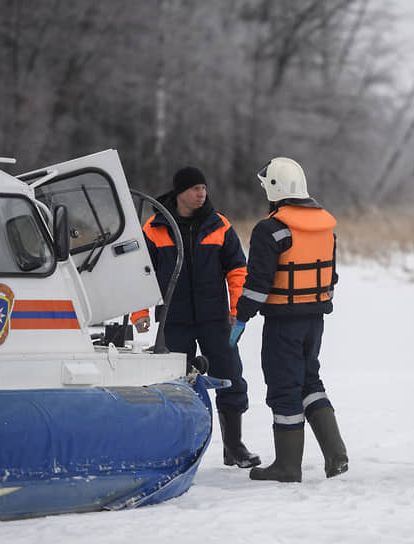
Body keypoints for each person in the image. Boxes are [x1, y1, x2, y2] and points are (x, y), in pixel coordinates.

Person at [130, 166, 260, 469]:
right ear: (180, 193)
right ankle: (180, 450)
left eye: (204, 187)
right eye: (195, 189)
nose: (202, 193)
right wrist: (139, 312)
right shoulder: (153, 228)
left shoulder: (220, 225)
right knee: (177, 385)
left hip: (216, 320)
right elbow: (140, 273)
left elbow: (238, 270)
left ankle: (234, 447)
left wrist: (236, 311)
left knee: (231, 378)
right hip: (173, 321)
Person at [232, 157, 348, 483]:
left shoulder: (270, 229)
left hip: (284, 324)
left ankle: (287, 466)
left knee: (284, 388)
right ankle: (336, 454)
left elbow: (257, 285)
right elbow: (331, 277)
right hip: (315, 320)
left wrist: (240, 319)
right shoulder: (325, 227)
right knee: (310, 382)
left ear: (273, 188)